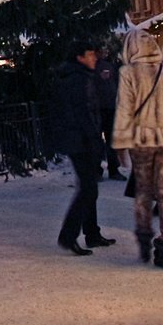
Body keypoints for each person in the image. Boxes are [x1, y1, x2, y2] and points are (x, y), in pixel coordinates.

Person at [110, 27, 163, 270]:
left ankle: (144, 239)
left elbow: (124, 109)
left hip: (142, 140)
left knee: (144, 192)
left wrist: (120, 144)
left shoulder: (128, 73)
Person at [51, 43, 116, 255]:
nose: (94, 57)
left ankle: (92, 233)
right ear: (79, 57)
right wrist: (94, 139)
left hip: (81, 139)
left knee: (89, 188)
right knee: (89, 188)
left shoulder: (80, 76)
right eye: (89, 54)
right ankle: (69, 235)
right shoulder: (78, 79)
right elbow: (83, 113)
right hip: (81, 141)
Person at [95, 43, 125, 179]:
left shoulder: (108, 66)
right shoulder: (91, 68)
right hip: (99, 108)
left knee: (111, 140)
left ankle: (111, 168)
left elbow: (116, 84)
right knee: (100, 140)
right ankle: (100, 169)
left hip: (109, 107)